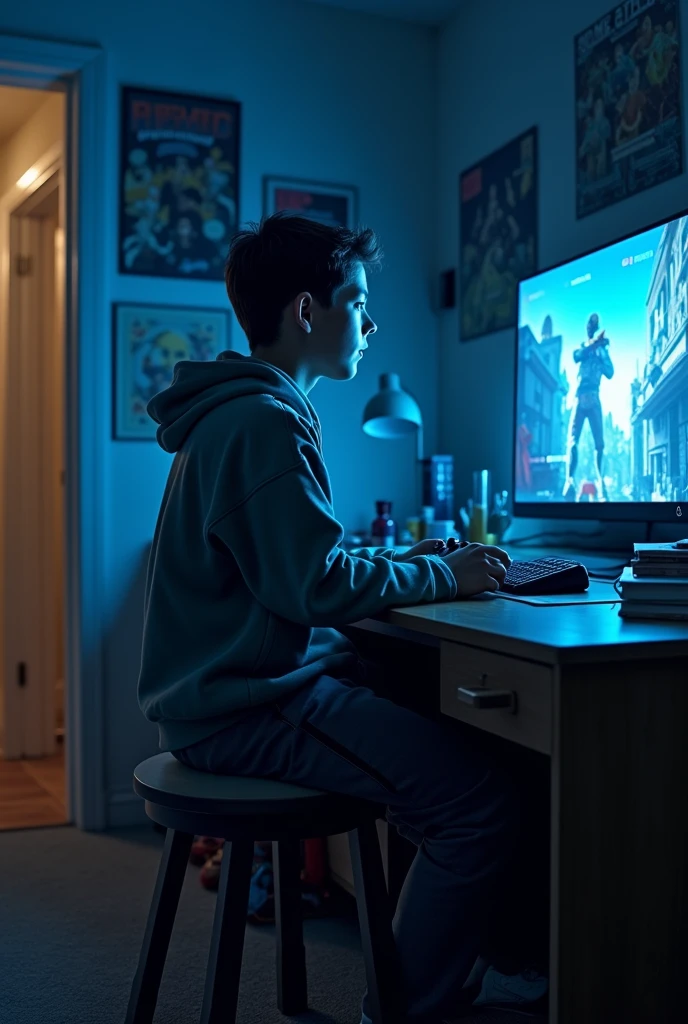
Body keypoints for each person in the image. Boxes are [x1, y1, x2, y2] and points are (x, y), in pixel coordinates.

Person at [138, 212, 546, 1023]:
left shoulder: (244, 411)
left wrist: (418, 564)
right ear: (304, 312)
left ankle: (492, 953)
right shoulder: (264, 421)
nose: (369, 320)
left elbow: (303, 568)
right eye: (356, 300)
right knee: (477, 803)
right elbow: (316, 586)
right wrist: (440, 571)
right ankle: (406, 1008)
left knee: (448, 735)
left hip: (234, 689)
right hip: (243, 707)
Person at [563, 312, 614, 501]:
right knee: (573, 440)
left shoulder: (600, 351)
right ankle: (569, 480)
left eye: (593, 326)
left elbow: (610, 372)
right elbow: (577, 356)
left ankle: (600, 485)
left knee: (599, 444)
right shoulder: (586, 347)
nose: (591, 328)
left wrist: (601, 351)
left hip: (592, 395)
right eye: (590, 326)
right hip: (581, 395)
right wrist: (595, 346)